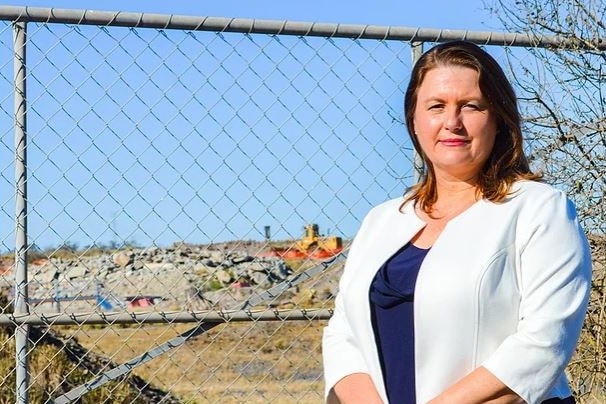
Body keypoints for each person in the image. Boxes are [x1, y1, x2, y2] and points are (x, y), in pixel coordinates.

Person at [322, 40, 592, 404]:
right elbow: (344, 335)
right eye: (436, 106)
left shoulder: (540, 210)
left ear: (498, 119)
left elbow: (543, 344)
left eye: (471, 106)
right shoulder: (382, 220)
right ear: (414, 121)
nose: (453, 122)